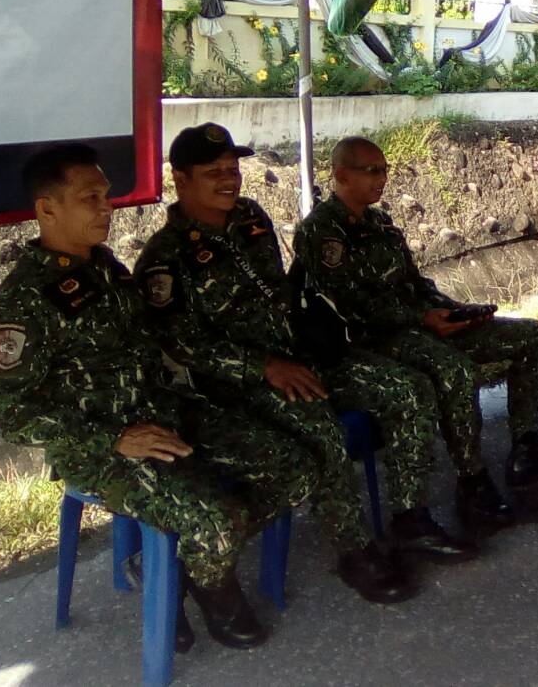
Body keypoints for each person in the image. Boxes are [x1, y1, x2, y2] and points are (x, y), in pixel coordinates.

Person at [0, 143, 316, 651]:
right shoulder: (24, 299)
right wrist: (116, 437)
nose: (107, 207)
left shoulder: (105, 266)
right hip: (103, 448)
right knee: (216, 517)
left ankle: (185, 566)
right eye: (90, 198)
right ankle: (215, 583)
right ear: (48, 209)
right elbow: (12, 415)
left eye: (106, 195)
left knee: (296, 467)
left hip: (169, 415)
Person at [134, 123, 416, 603]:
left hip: (297, 358)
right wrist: (263, 366)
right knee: (322, 428)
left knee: (402, 388)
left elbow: (279, 293)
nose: (229, 180)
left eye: (233, 169)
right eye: (214, 173)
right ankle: (354, 551)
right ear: (180, 180)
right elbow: (183, 344)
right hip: (232, 385)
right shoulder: (166, 259)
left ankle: (414, 518)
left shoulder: (251, 218)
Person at [292, 137, 538, 533]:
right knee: (454, 370)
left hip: (421, 324)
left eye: (385, 170)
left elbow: (415, 282)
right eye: (372, 171)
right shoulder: (321, 232)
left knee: (530, 336)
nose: (382, 178)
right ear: (342, 175)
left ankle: (526, 451)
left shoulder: (380, 223)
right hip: (372, 340)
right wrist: (422, 317)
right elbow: (347, 306)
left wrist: (453, 309)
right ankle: (472, 482)